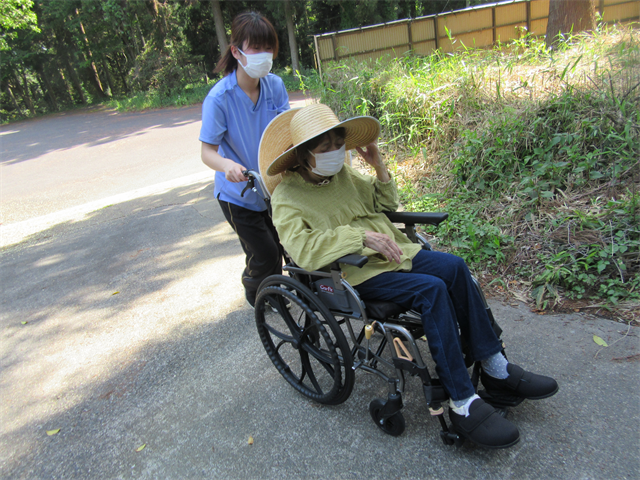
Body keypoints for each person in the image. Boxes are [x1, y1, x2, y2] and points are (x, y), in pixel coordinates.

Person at [258, 104, 559, 449]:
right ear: (302, 154)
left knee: (456, 267)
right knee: (431, 291)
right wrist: (360, 238)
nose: (335, 153)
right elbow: (305, 250)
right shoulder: (287, 197)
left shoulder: (343, 174)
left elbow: (384, 204)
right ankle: (463, 402)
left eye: (338, 144)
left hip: (396, 254)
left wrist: (378, 166)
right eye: (324, 147)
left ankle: (495, 368)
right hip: (353, 272)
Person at [199, 12, 290, 307]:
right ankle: (257, 290)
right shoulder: (219, 99)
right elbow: (207, 152)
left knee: (286, 242)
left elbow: (287, 129)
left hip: (274, 184)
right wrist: (227, 166)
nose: (264, 55)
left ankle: (283, 290)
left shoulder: (274, 86)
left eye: (268, 48)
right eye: (256, 48)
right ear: (236, 52)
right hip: (236, 193)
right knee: (264, 252)